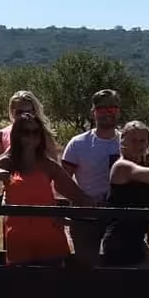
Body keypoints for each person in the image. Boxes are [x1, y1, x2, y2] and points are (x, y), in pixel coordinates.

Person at [0, 109, 91, 265]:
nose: (31, 137)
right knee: (20, 286)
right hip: (19, 238)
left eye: (35, 132)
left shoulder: (48, 165)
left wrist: (75, 218)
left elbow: (76, 194)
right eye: (25, 132)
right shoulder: (6, 162)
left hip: (49, 238)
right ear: (17, 135)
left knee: (52, 285)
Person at [61, 89, 123, 266]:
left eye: (112, 108)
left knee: (120, 268)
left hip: (121, 219)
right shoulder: (78, 143)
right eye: (102, 108)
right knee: (86, 268)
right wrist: (86, 201)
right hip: (85, 220)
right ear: (93, 112)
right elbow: (62, 182)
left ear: (119, 111)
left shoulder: (129, 142)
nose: (107, 113)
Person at [101, 121, 149, 268]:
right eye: (133, 140)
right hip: (120, 240)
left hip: (134, 238)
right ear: (122, 141)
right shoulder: (122, 166)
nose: (139, 145)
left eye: (143, 141)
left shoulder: (138, 165)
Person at [0, 90, 48, 157]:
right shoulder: (0, 135)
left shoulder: (44, 135)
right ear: (12, 112)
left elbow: (52, 164)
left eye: (28, 112)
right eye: (19, 112)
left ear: (34, 112)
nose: (24, 116)